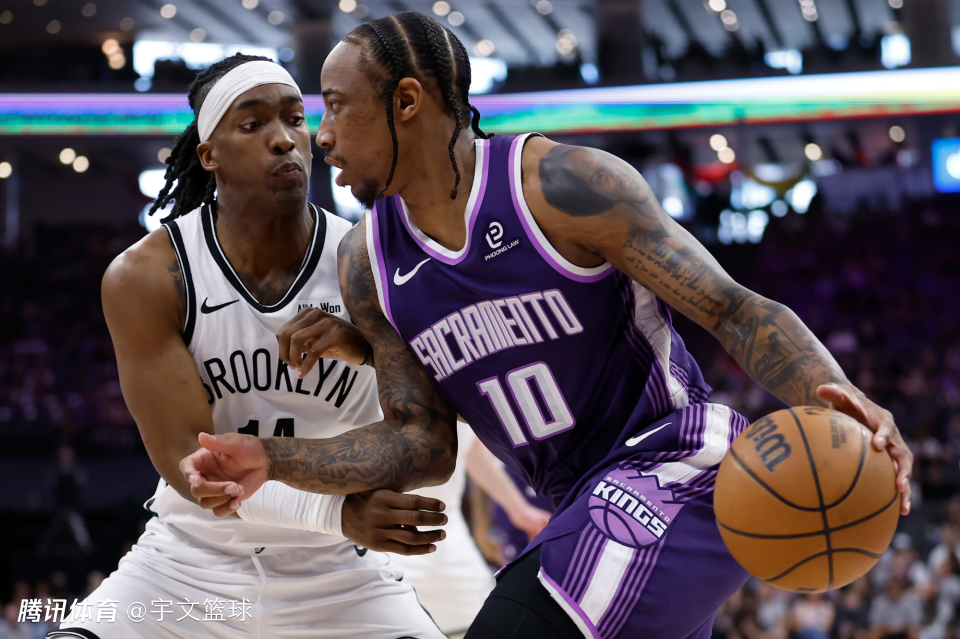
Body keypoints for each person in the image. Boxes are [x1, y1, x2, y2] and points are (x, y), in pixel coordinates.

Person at [183, 12, 913, 639]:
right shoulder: (367, 262)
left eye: (338, 108)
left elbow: (733, 308)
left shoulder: (561, 187)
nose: (323, 136)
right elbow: (422, 444)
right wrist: (272, 459)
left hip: (677, 466)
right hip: (577, 505)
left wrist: (841, 399)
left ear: (406, 102)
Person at [50, 54, 445, 639]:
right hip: (187, 569)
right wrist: (339, 512)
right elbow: (192, 463)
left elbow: (432, 424)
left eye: (294, 119)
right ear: (209, 154)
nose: (284, 139)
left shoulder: (373, 260)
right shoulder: (147, 275)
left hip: (340, 575)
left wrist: (368, 349)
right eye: (253, 124)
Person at [391, 422, 552, 637]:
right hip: (389, 529)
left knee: (488, 625)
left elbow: (470, 448)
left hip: (448, 526)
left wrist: (519, 509)